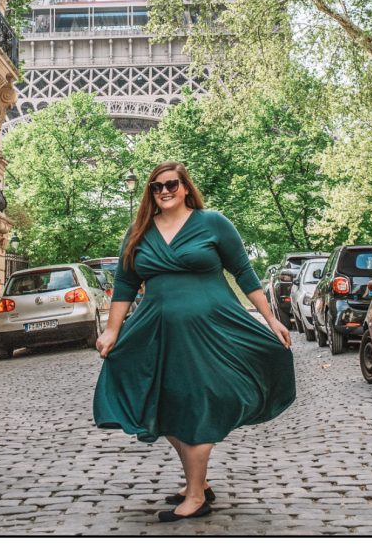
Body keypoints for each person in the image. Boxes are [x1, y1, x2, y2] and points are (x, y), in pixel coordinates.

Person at [92, 162, 295, 523]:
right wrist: (112, 330)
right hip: (158, 334)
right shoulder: (139, 231)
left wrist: (270, 318)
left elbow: (244, 273)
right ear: (150, 193)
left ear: (185, 187)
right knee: (165, 405)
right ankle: (195, 482)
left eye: (171, 184)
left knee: (200, 403)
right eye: (156, 187)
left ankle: (197, 495)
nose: (164, 191)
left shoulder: (212, 223)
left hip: (212, 332)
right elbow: (124, 285)